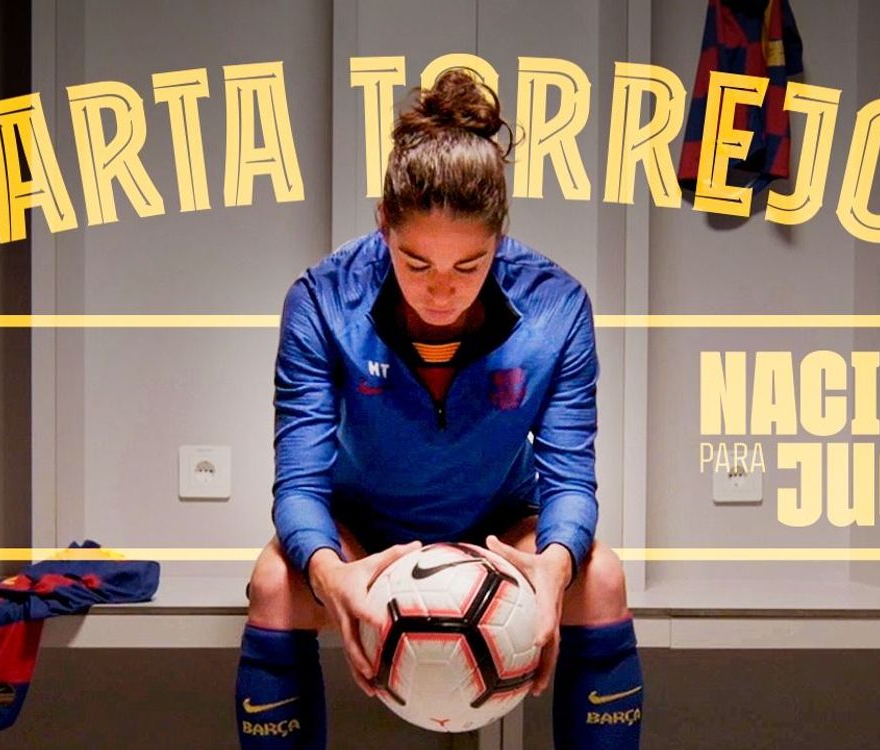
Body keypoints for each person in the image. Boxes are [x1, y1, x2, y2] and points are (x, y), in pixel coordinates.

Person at [236, 69, 644, 749]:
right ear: (384, 226)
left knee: (600, 576)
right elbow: (299, 485)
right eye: (416, 263)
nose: (441, 291)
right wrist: (331, 574)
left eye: (469, 266)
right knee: (276, 580)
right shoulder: (322, 299)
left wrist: (555, 568)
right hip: (364, 527)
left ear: (499, 241)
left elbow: (571, 479)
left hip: (498, 525)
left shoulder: (557, 306)